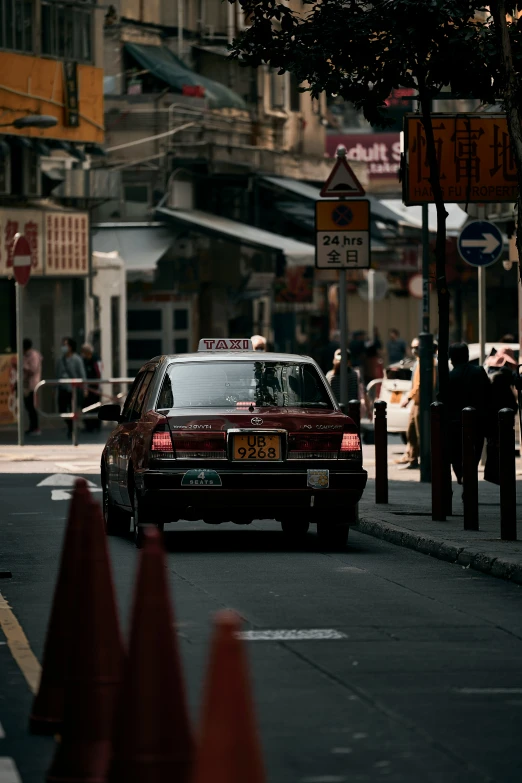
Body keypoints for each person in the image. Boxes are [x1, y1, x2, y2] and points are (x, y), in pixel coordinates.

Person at [448, 342, 492, 484]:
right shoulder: (479, 371)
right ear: (467, 356)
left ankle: (462, 477)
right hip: (477, 423)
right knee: (474, 455)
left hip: (455, 425)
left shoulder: (450, 377)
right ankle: (469, 480)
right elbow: (489, 396)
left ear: (451, 359)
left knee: (457, 456)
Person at [395, 337, 437, 469]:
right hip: (416, 402)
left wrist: (408, 398)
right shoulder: (418, 362)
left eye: (417, 347)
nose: (414, 350)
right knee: (411, 431)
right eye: (413, 347)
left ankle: (425, 462)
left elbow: (421, 384)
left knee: (422, 434)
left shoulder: (428, 362)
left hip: (423, 402)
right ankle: (413, 459)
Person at [484, 370, 518, 485]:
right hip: (504, 429)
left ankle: (493, 474)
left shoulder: (490, 391)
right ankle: (503, 475)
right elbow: (514, 407)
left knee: (493, 451)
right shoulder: (506, 392)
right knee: (504, 453)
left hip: (492, 428)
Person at [326, 348, 372, 420]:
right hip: (353, 413)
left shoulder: (329, 376)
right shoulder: (356, 374)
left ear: (334, 360)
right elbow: (364, 393)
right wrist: (369, 410)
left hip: (335, 414)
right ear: (349, 361)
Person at [56, 337, 86, 438]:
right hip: (62, 388)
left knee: (73, 409)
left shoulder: (77, 359)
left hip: (73, 389)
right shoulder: (60, 360)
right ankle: (71, 426)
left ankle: (72, 429)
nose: (64, 347)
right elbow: (57, 374)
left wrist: (84, 388)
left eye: (66, 345)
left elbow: (82, 374)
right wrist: (55, 388)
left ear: (71, 347)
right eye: (63, 345)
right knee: (62, 409)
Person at [80, 343, 102, 432]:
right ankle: (88, 426)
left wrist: (98, 387)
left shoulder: (96, 360)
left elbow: (99, 374)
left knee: (95, 407)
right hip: (87, 388)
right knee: (86, 406)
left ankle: (96, 426)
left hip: (95, 388)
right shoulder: (84, 361)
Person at [22, 338, 42, 435]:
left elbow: (33, 369)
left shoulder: (33, 355)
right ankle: (32, 427)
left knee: (32, 407)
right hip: (26, 385)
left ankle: (35, 427)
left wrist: (23, 365)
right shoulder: (25, 355)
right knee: (28, 406)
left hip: (33, 385)